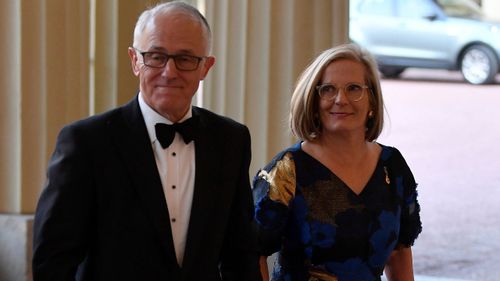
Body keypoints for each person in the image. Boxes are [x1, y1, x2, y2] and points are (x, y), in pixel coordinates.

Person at [32, 2, 261, 281]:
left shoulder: (231, 140)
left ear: (206, 67)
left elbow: (240, 253)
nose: (169, 72)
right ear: (134, 60)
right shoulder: (86, 143)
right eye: (156, 56)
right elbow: (53, 261)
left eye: (185, 59)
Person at [252, 43, 422, 281]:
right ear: (313, 99)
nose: (341, 99)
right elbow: (251, 251)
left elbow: (399, 253)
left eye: (354, 88)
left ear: (372, 101)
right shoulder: (286, 170)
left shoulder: (392, 166)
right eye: (328, 89)